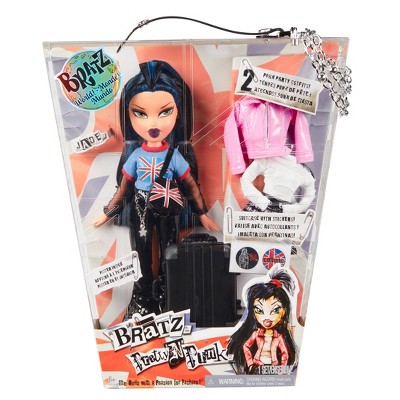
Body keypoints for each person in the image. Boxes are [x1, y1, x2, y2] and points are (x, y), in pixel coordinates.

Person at [94, 60, 218, 318]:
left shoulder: (175, 155)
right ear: (128, 115)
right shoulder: (135, 155)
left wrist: (202, 213)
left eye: (165, 112)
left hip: (168, 204)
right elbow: (124, 188)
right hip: (140, 204)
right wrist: (108, 212)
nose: (153, 123)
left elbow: (190, 184)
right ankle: (143, 297)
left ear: (179, 113)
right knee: (140, 249)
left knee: (169, 249)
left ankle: (168, 293)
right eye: (140, 113)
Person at [227, 268, 298, 374]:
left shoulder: (279, 337)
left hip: (274, 367)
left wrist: (282, 369)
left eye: (275, 310)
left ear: (283, 311)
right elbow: (246, 346)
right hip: (257, 365)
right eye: (259, 310)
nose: (266, 317)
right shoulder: (256, 334)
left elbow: (285, 353)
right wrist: (250, 363)